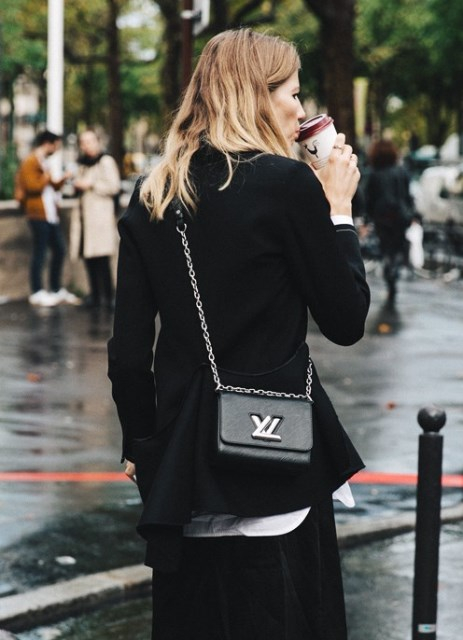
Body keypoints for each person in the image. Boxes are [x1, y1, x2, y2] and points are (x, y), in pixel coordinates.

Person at [108, 29, 370, 640]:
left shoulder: (154, 191)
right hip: (272, 451)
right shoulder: (286, 186)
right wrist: (338, 212)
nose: (300, 111)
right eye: (292, 93)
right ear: (256, 94)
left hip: (184, 463)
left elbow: (127, 350)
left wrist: (141, 442)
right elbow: (346, 320)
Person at [17, 129, 81, 307]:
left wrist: (63, 178)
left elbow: (52, 185)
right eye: (56, 145)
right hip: (37, 214)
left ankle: (55, 288)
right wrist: (46, 175)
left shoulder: (42, 162)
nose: (57, 149)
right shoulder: (31, 161)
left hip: (50, 214)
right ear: (47, 144)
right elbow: (31, 186)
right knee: (40, 252)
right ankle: (37, 291)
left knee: (59, 250)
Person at [70, 130, 121, 309]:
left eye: (90, 141)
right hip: (85, 220)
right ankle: (95, 295)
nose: (87, 145)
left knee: (102, 260)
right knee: (89, 259)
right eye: (83, 142)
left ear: (97, 142)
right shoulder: (82, 165)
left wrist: (90, 185)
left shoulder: (105, 161)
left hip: (100, 219)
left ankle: (108, 296)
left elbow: (114, 186)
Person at [365, 139, 414, 303]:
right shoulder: (401, 172)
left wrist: (369, 216)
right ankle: (394, 270)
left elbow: (369, 198)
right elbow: (408, 196)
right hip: (400, 217)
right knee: (397, 247)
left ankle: (390, 273)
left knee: (386, 247)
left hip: (382, 217)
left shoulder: (374, 174)